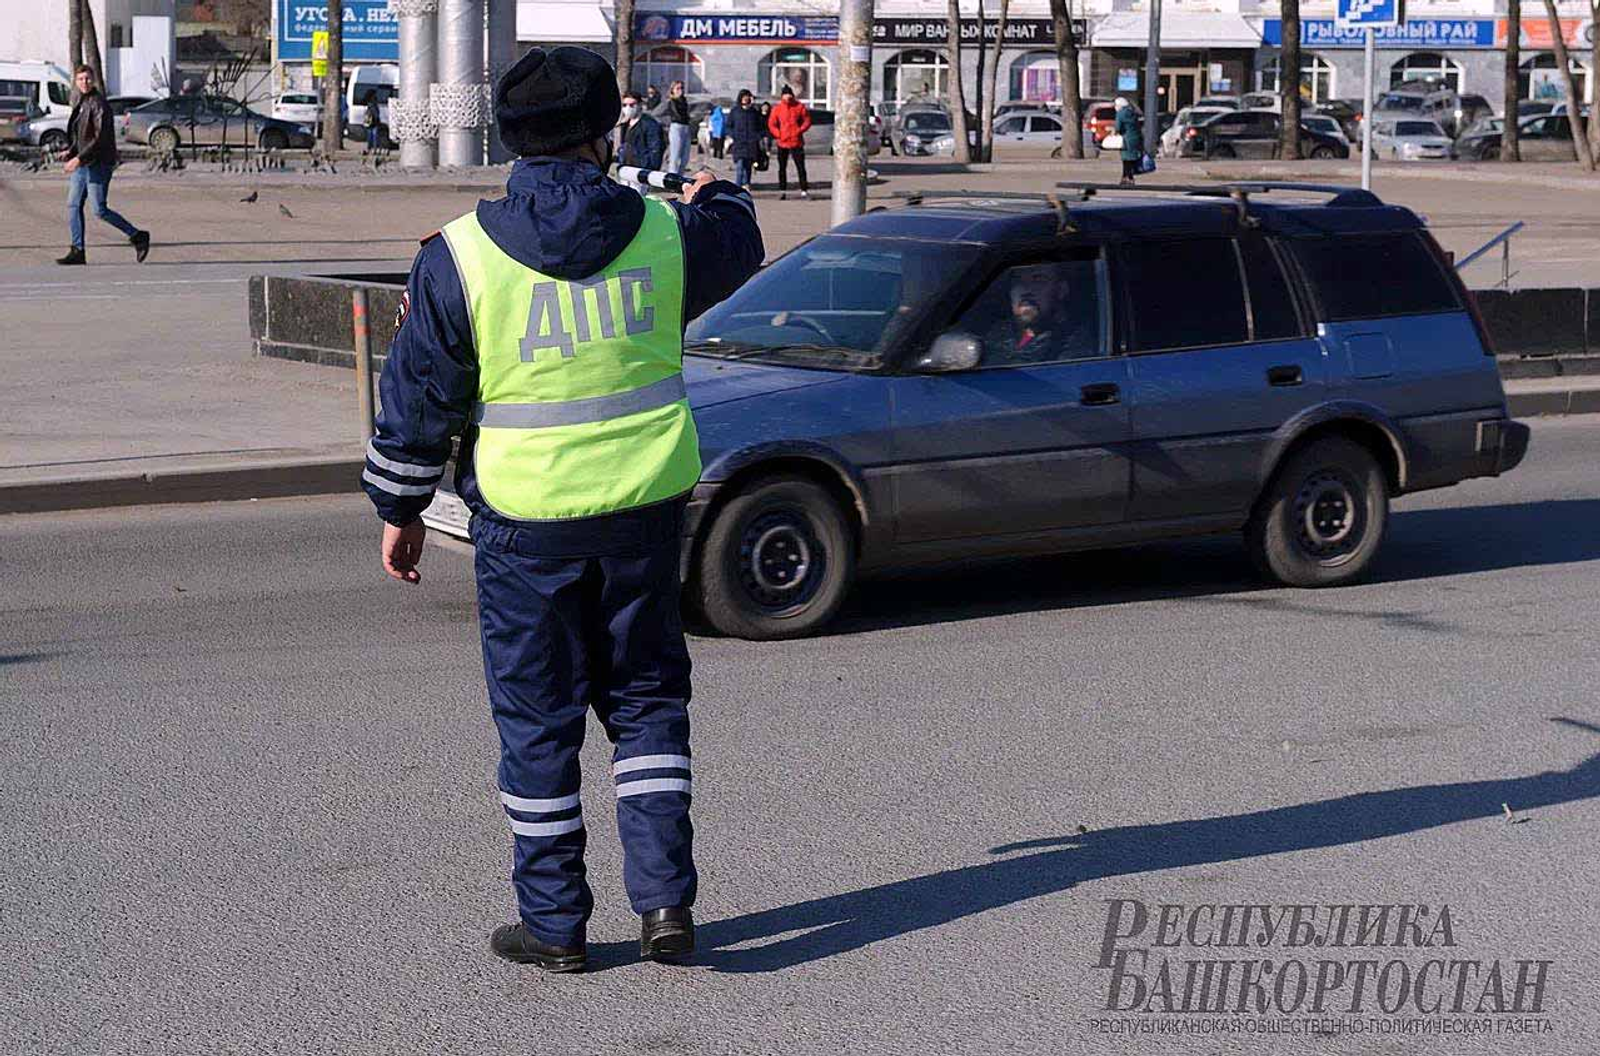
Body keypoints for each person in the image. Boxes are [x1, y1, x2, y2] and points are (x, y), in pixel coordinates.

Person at [363, 45, 763, 973]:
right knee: (648, 706)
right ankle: (666, 908)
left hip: (524, 525)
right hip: (642, 513)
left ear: (510, 138)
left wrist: (400, 503)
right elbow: (737, 244)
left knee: (540, 723)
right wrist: (721, 190)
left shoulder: (458, 257)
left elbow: (419, 394)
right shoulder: (665, 233)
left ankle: (555, 927)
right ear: (604, 134)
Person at [55, 64, 149, 266]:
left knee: (99, 209)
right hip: (83, 162)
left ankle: (138, 236)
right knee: (73, 205)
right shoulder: (82, 102)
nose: (84, 82)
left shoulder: (99, 104)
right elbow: (80, 135)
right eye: (80, 79)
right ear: (76, 81)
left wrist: (78, 159)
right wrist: (70, 151)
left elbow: (99, 139)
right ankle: (77, 250)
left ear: (93, 80)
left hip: (98, 163)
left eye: (87, 79)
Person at [985, 263, 1097, 364]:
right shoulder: (998, 332)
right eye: (1018, 281)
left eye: (1038, 280)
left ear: (1061, 290)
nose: (1025, 290)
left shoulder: (1076, 343)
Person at [766, 87, 811, 200]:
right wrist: (778, 134)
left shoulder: (799, 106)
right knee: (782, 168)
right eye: (785, 95)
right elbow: (771, 124)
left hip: (797, 141)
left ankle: (804, 190)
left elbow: (807, 120)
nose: (788, 97)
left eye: (789, 94)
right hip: (782, 142)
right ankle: (782, 190)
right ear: (782, 96)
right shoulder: (777, 108)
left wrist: (799, 130)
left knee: (800, 167)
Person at [616, 91, 665, 172]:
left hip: (642, 171)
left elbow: (656, 151)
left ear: (640, 105)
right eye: (624, 105)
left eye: (632, 105)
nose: (628, 108)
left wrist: (648, 169)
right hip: (625, 169)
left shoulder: (650, 124)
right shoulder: (624, 124)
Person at [725, 89, 765, 190]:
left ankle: (746, 183)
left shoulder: (754, 112)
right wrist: (733, 135)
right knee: (740, 165)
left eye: (748, 96)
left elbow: (761, 126)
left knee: (748, 166)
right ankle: (737, 186)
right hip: (739, 143)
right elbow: (729, 126)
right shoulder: (735, 111)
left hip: (751, 143)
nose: (746, 98)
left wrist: (758, 136)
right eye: (744, 96)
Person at [1113, 97, 1143, 187]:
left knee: (1126, 159)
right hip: (1135, 138)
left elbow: (1118, 127)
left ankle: (1127, 178)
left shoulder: (1120, 114)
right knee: (1131, 159)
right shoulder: (1132, 112)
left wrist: (1114, 133)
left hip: (1126, 139)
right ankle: (1127, 177)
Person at [664, 80, 691, 175]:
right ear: (673, 90)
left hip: (686, 127)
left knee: (685, 156)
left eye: (682, 88)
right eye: (678, 88)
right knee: (675, 155)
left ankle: (680, 176)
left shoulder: (684, 100)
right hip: (677, 126)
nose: (681, 90)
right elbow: (676, 115)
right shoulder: (672, 101)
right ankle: (672, 177)